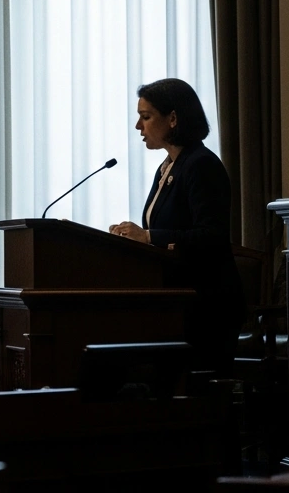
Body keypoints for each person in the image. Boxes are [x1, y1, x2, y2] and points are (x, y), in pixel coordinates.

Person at [109, 78, 245, 375]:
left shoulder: (201, 165)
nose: (138, 127)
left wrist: (148, 237)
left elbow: (212, 236)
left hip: (206, 305)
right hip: (176, 300)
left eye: (145, 117)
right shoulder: (168, 167)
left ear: (172, 118)